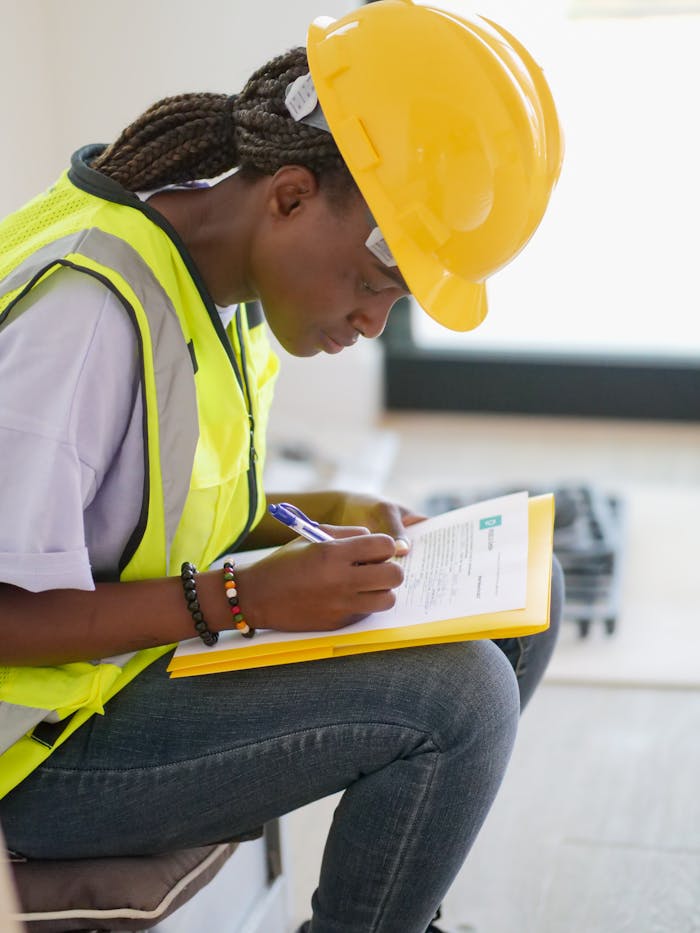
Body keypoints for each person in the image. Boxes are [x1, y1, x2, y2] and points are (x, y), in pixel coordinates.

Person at [0, 2, 564, 931]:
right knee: (458, 698)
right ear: (292, 195)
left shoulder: (221, 284)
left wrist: (320, 512)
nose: (375, 321)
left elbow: (147, 498)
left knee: (525, 594)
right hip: (36, 756)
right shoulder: (85, 317)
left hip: (125, 669)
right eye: (375, 284)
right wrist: (243, 600)